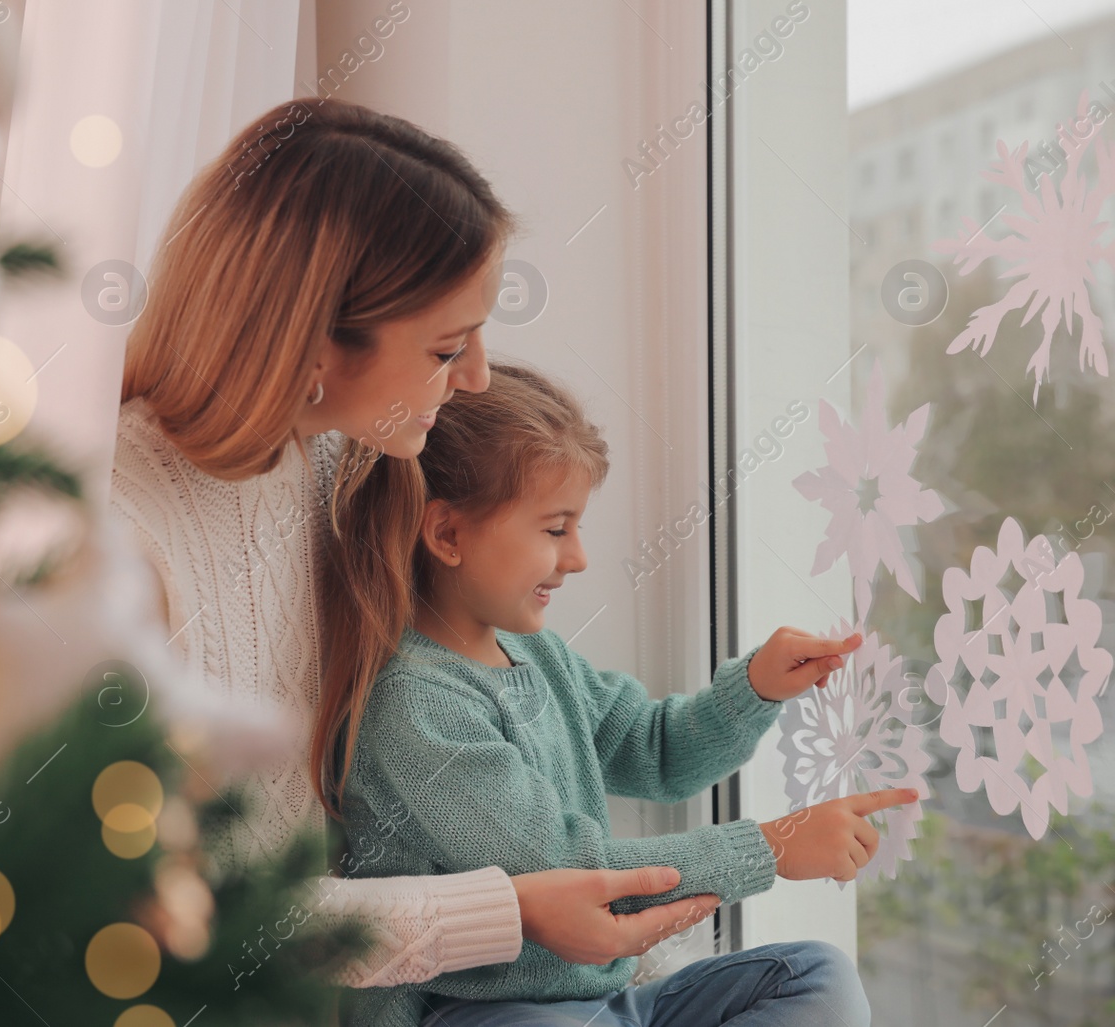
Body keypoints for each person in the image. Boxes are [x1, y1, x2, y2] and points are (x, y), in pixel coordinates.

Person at [110, 96, 722, 1004]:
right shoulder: (122, 536)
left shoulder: (349, 461)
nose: (476, 376)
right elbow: (171, 917)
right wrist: (512, 912)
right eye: (447, 347)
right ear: (315, 339)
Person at [317, 359, 915, 1026]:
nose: (578, 557)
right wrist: (771, 847)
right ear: (448, 533)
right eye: (555, 528)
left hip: (606, 1003)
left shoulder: (534, 651)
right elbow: (577, 874)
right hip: (480, 1013)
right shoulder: (416, 704)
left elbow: (655, 750)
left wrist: (753, 689)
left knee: (819, 977)